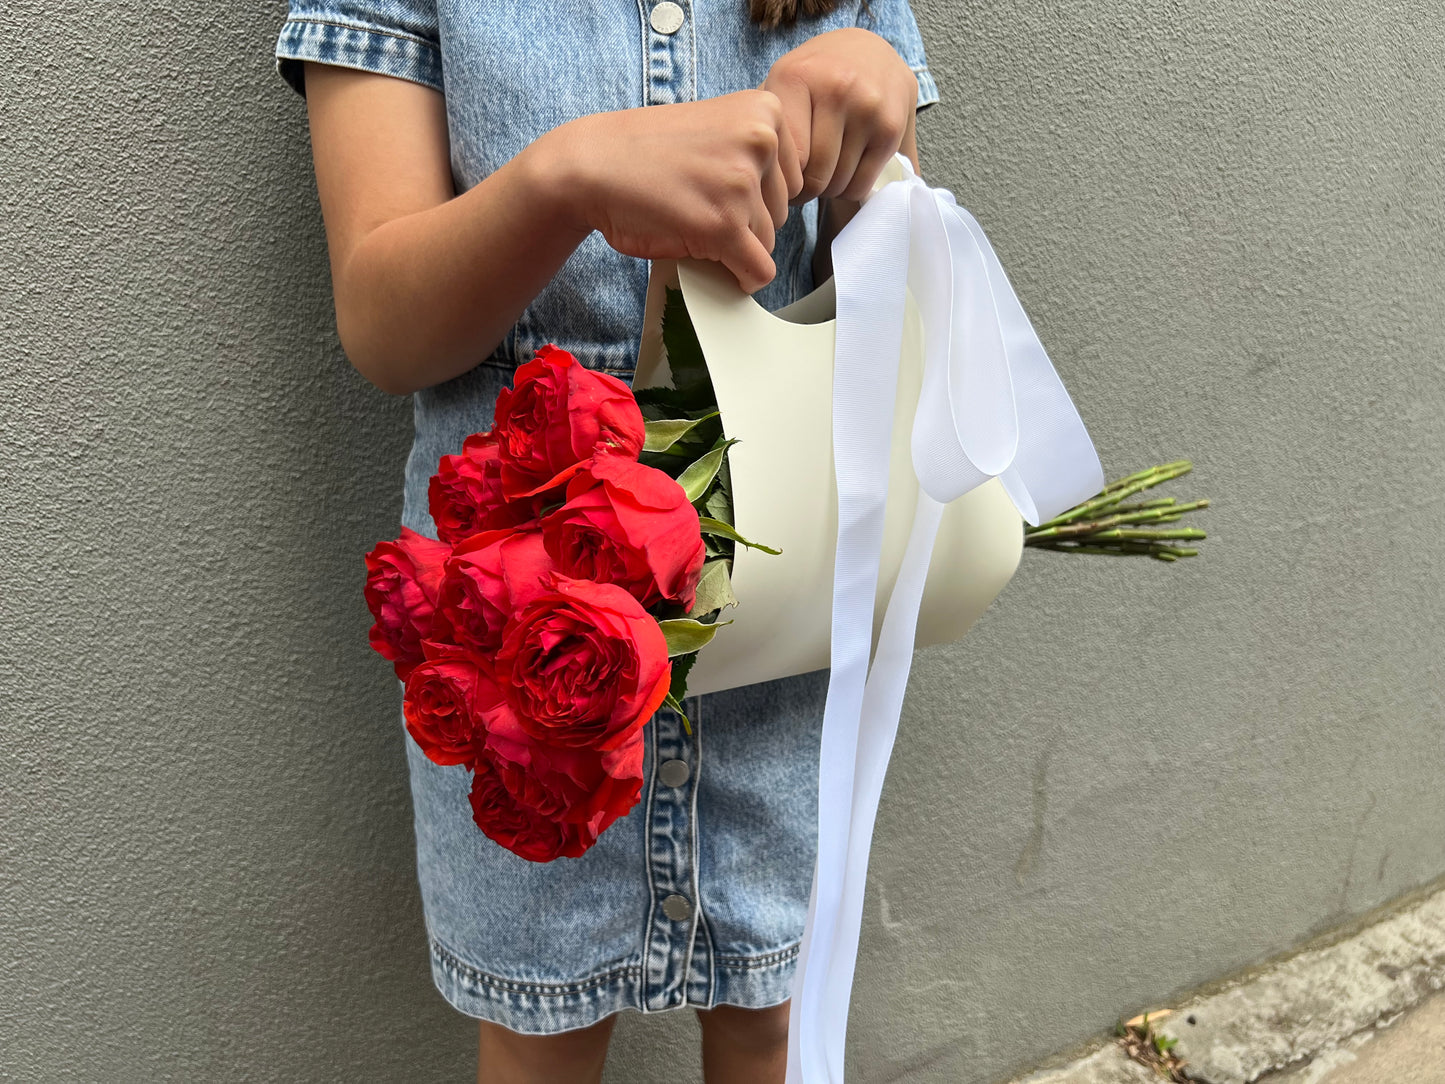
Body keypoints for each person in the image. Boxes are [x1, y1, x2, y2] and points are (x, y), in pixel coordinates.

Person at [272, 1, 939, 1079]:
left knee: (773, 1004)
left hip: (775, 591)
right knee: (540, 1027)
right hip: (518, 642)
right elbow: (384, 326)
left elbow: (890, 300)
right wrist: (566, 177)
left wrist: (873, 112)